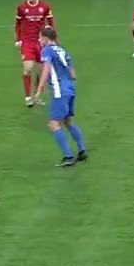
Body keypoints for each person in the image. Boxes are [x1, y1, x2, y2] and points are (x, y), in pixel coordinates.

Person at [33, 28, 88, 167]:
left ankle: (68, 156)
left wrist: (39, 90)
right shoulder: (62, 51)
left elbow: (45, 70)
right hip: (70, 89)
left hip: (60, 92)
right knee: (68, 121)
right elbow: (73, 75)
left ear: (46, 38)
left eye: (40, 38)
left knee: (53, 124)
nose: (39, 41)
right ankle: (82, 150)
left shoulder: (47, 50)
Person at [14, 0, 56, 107]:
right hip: (27, 42)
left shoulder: (44, 7)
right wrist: (18, 39)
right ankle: (28, 97)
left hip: (41, 42)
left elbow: (51, 23)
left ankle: (36, 95)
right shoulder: (22, 8)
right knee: (27, 68)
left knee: (42, 71)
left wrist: (52, 40)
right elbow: (17, 24)